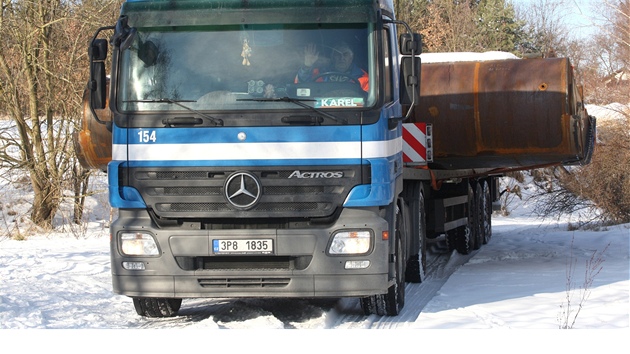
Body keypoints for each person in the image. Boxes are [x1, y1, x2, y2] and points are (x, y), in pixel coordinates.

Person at [294, 42, 369, 91]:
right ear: (332, 57)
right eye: (337, 54)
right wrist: (307, 66)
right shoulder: (318, 73)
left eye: (345, 54)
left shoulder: (363, 78)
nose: (341, 58)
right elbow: (301, 87)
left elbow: (368, 102)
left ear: (351, 58)